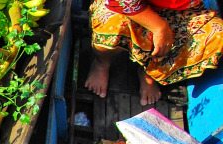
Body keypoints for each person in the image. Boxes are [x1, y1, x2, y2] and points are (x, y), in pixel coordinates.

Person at [84, 0, 223, 105]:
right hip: (127, 7)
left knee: (217, 35)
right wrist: (159, 27)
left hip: (181, 11)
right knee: (111, 25)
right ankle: (102, 63)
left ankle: (149, 70)